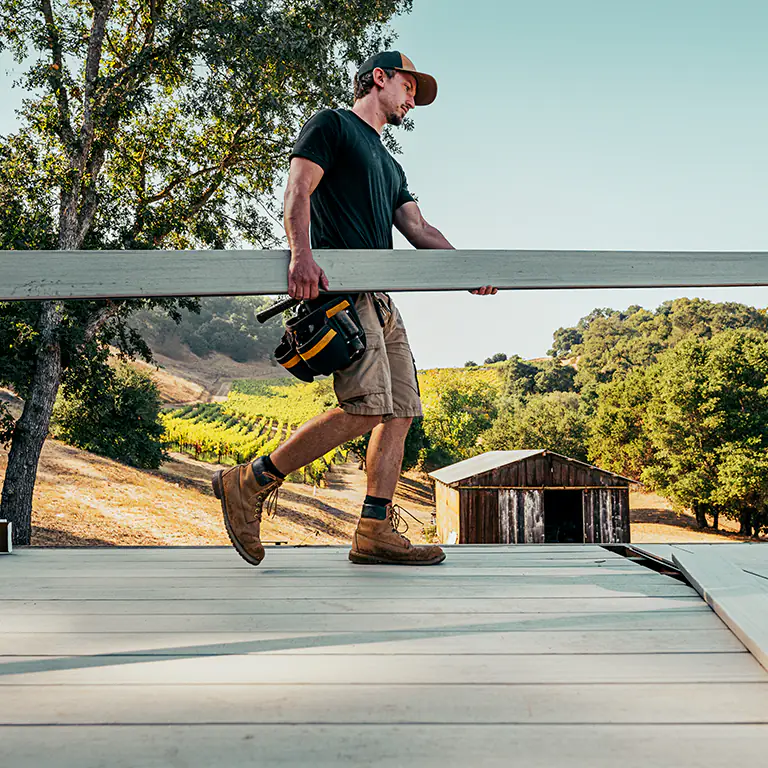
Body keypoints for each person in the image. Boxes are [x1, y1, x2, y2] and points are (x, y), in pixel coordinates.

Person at [212, 51, 497, 567]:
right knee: (366, 407)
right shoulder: (333, 125)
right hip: (340, 291)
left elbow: (419, 230)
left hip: (382, 298)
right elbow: (298, 188)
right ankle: (248, 482)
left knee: (403, 411)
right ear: (380, 78)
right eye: (409, 88)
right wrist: (301, 255)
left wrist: (464, 271)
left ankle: (373, 530)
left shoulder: (390, 164)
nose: (413, 100)